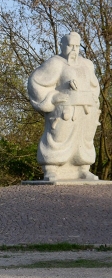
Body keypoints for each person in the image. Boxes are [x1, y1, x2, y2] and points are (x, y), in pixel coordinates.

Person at [27, 31, 100, 181]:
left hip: (85, 111)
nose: (74, 49)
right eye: (70, 45)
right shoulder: (55, 63)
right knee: (58, 139)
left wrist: (93, 97)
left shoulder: (87, 64)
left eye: (77, 46)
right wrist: (53, 97)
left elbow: (95, 86)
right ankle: (51, 169)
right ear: (62, 46)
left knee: (85, 140)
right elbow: (35, 82)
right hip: (65, 111)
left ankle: (83, 169)